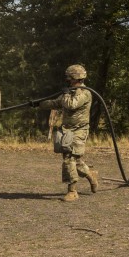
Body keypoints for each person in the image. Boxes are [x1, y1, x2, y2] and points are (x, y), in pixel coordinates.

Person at [33, 64, 98, 202]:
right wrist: (39, 104)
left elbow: (71, 104)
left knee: (69, 159)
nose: (67, 80)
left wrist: (67, 93)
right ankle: (90, 175)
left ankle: (72, 191)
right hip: (67, 130)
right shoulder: (70, 92)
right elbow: (57, 103)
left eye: (69, 78)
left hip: (80, 130)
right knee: (77, 161)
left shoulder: (85, 93)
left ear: (75, 77)